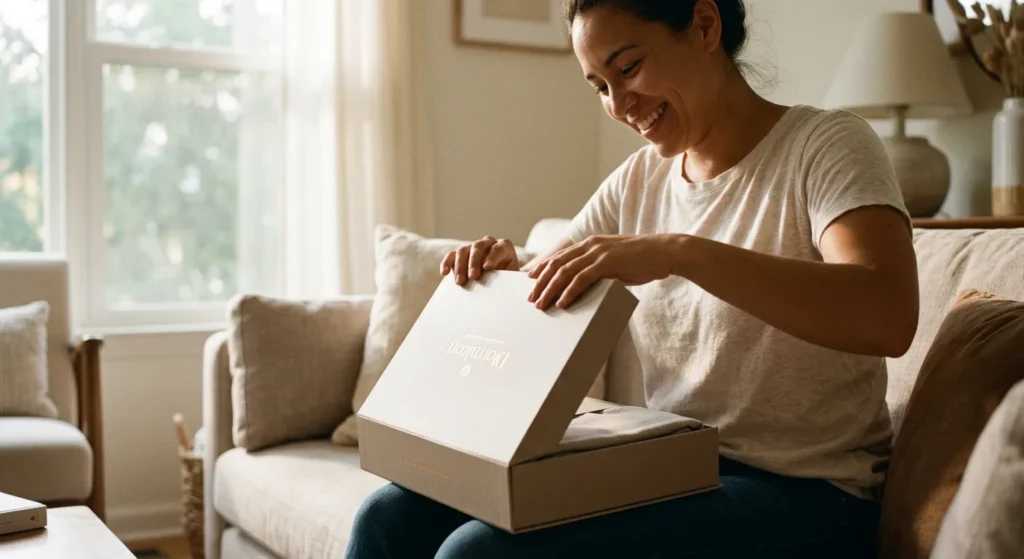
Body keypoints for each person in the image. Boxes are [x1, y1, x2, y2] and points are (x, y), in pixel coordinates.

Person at [345, 0, 919, 557]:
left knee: (480, 553)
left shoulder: (826, 146)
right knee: (388, 518)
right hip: (674, 465)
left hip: (812, 492)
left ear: (703, 24)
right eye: (599, 86)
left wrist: (682, 253)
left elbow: (887, 314)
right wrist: (502, 276)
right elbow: (547, 285)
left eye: (628, 68)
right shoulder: (638, 181)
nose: (619, 104)